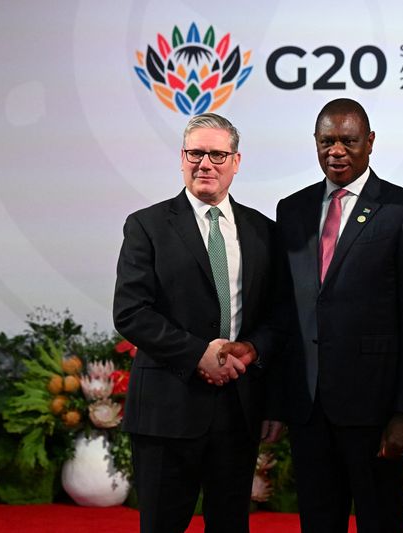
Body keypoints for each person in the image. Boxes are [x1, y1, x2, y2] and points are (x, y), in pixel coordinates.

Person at [113, 113, 283, 533]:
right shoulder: (146, 226)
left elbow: (278, 316)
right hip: (166, 410)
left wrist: (254, 350)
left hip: (239, 410)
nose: (205, 163)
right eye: (195, 153)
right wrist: (198, 355)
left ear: (237, 161)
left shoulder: (264, 231)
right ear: (182, 158)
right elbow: (130, 311)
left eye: (217, 154)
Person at [276, 98, 403, 532]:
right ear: (315, 143)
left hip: (375, 412)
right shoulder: (290, 211)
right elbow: (283, 314)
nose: (337, 151)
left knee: (381, 521)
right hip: (309, 411)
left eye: (348, 141)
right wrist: (276, 402)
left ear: (369, 143)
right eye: (327, 141)